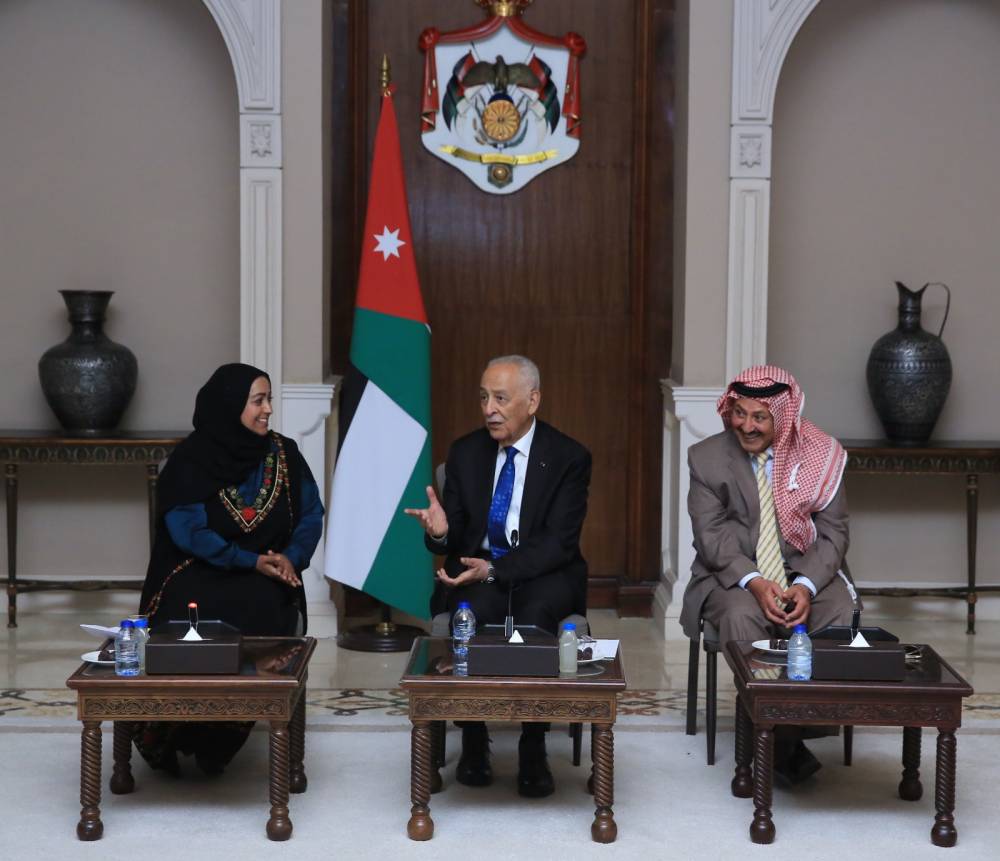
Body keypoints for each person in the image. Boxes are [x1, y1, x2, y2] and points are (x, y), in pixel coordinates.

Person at [404, 355, 591, 798]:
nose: (489, 409)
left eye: (501, 399)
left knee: (535, 616)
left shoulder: (568, 457)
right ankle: (473, 737)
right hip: (479, 569)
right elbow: (455, 538)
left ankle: (533, 743)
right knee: (469, 615)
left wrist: (499, 569)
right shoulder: (466, 453)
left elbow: (559, 542)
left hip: (543, 572)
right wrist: (441, 532)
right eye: (484, 397)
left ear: (533, 401)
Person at [136, 363, 324, 774]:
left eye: (268, 399)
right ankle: (167, 736)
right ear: (230, 405)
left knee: (263, 609)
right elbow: (188, 531)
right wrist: (249, 560)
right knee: (189, 614)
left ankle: (217, 740)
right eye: (258, 401)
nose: (268, 409)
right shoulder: (191, 460)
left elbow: (311, 514)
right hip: (198, 568)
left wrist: (291, 557)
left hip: (266, 578)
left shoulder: (285, 453)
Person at [679, 364, 854, 784]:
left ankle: (788, 731)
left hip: (805, 569)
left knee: (839, 611)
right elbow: (711, 536)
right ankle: (777, 739)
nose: (747, 426)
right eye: (740, 413)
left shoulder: (822, 455)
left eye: (760, 417)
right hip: (733, 574)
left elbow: (834, 533)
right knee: (742, 615)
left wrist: (805, 586)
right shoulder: (705, 458)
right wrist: (756, 582)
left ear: (783, 417)